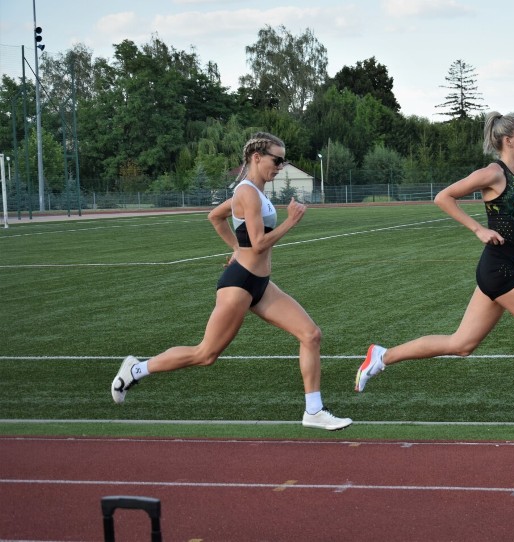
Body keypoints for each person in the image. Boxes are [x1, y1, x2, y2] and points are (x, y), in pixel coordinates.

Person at [355, 112, 514, 431]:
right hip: (498, 270)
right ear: (508, 140)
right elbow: (444, 197)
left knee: (461, 345)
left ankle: (382, 356)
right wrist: (478, 229)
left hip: (503, 268)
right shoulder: (493, 174)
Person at [111, 131, 352, 431]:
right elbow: (259, 243)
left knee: (311, 335)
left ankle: (313, 411)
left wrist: (237, 249)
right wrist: (290, 221)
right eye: (277, 159)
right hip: (238, 284)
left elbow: (215, 216)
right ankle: (135, 369)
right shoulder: (247, 192)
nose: (280, 165)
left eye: (283, 160)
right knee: (205, 354)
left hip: (260, 285)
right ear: (256, 157)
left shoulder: (253, 193)